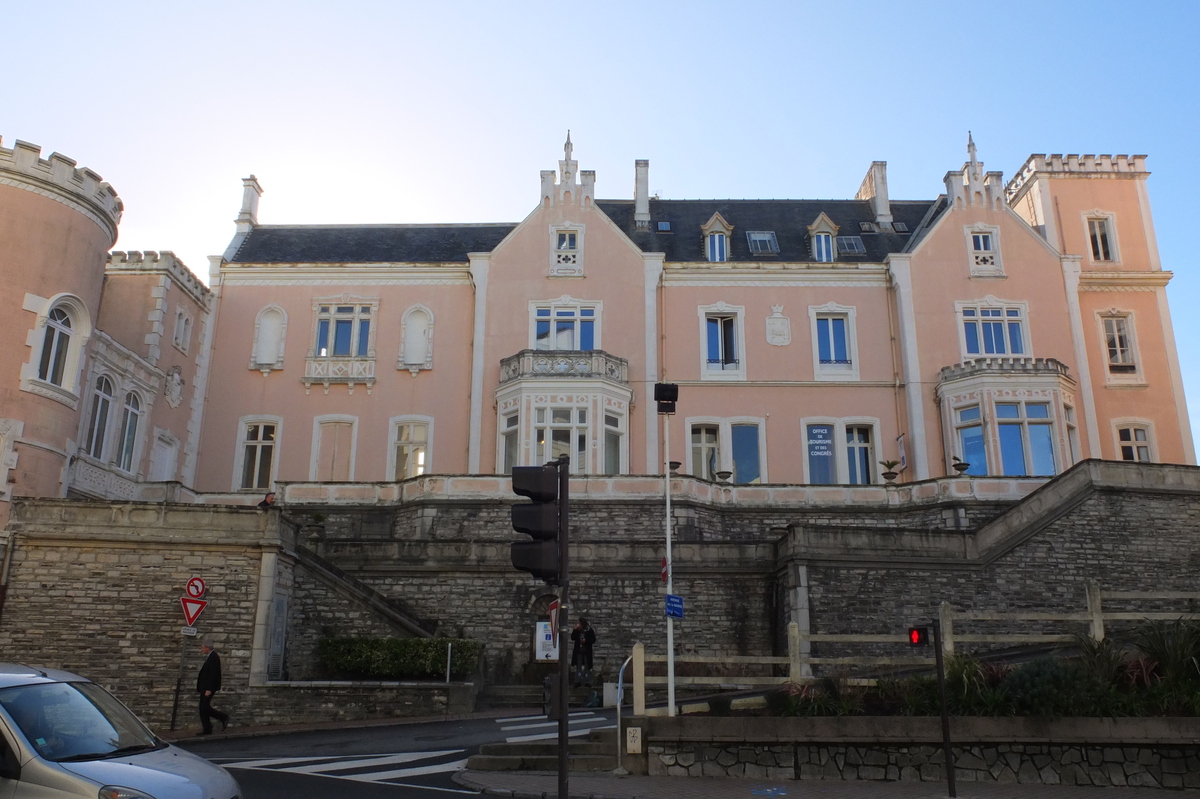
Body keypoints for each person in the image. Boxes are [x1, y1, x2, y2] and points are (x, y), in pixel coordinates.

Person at [197, 639, 230, 735]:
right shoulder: (210, 657)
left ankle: (223, 717)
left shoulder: (214, 657)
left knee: (204, 707)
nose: (201, 649)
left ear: (207, 647)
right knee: (203, 708)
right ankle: (207, 729)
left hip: (208, 688)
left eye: (202, 647)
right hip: (204, 687)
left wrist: (209, 689)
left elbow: (213, 674)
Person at [570, 617, 596, 687]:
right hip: (579, 652)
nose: (578, 625)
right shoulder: (577, 631)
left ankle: (587, 681)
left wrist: (586, 640)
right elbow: (572, 638)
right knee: (578, 666)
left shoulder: (589, 630)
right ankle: (577, 681)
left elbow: (593, 639)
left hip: (586, 652)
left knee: (587, 667)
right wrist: (574, 630)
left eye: (579, 623)